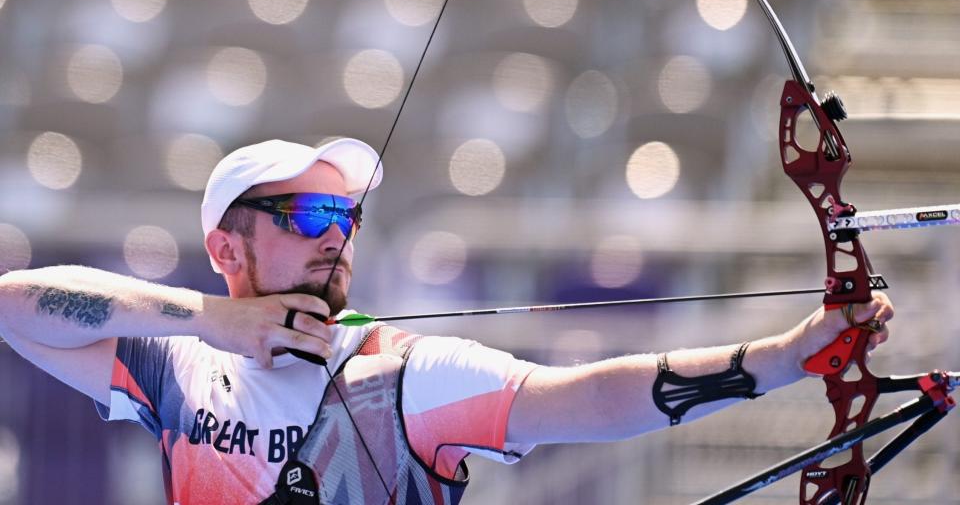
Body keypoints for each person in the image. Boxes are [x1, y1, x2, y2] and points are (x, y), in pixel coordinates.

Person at [0, 138, 894, 505]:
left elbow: (579, 400)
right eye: (309, 218)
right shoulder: (177, 366)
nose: (336, 238)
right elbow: (15, 306)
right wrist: (209, 319)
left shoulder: (401, 376)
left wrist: (782, 359)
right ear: (228, 245)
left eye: (347, 219)